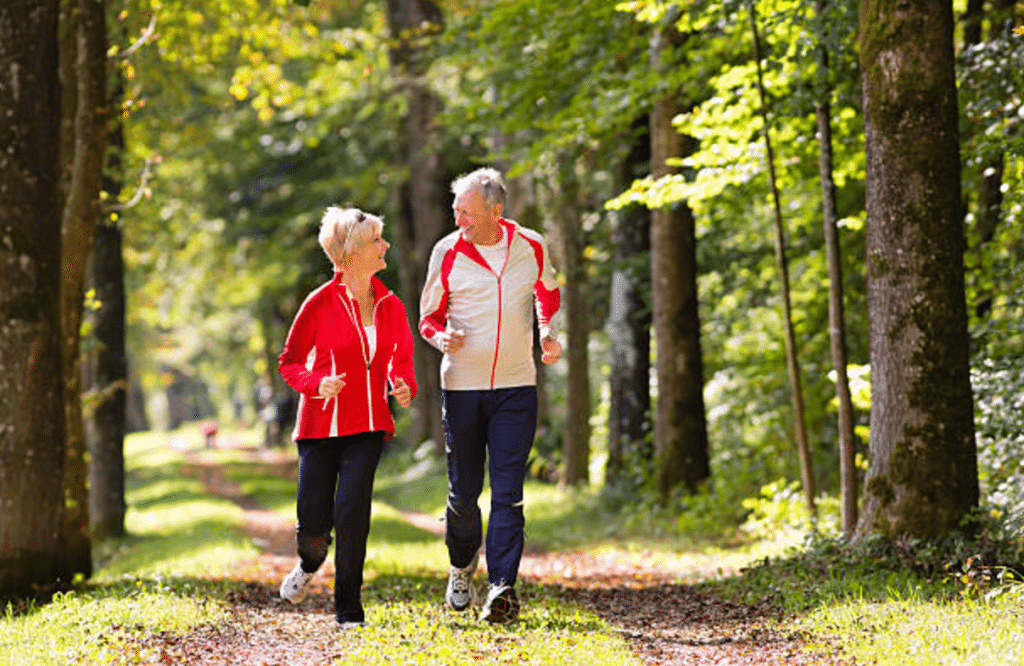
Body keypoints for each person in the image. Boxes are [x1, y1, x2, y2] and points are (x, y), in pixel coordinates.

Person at [419, 167, 562, 624]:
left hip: (517, 387)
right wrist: (442, 339)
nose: (458, 217)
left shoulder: (531, 245)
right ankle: (462, 567)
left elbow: (548, 293)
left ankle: (502, 586)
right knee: (463, 495)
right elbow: (427, 318)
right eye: (456, 209)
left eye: (467, 211)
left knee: (509, 491)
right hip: (462, 387)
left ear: (496, 212)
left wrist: (548, 332)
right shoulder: (446, 251)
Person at [277, 207, 416, 629]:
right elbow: (290, 361)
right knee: (314, 527)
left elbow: (401, 358)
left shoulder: (390, 305)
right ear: (352, 251)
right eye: (377, 240)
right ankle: (308, 561)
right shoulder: (319, 303)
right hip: (320, 427)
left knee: (353, 510)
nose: (385, 245)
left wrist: (403, 384)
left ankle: (348, 609)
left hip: (369, 424)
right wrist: (316, 383)